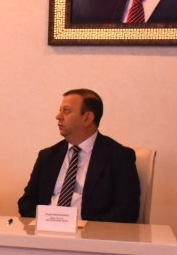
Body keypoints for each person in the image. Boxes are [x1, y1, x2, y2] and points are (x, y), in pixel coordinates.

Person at [17, 89, 140, 223]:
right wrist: (45, 223)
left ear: (87, 118)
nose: (58, 116)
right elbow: (27, 203)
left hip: (91, 233)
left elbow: (127, 211)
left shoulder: (119, 156)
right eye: (60, 110)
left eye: (66, 111)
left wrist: (84, 227)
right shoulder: (47, 156)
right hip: (45, 231)